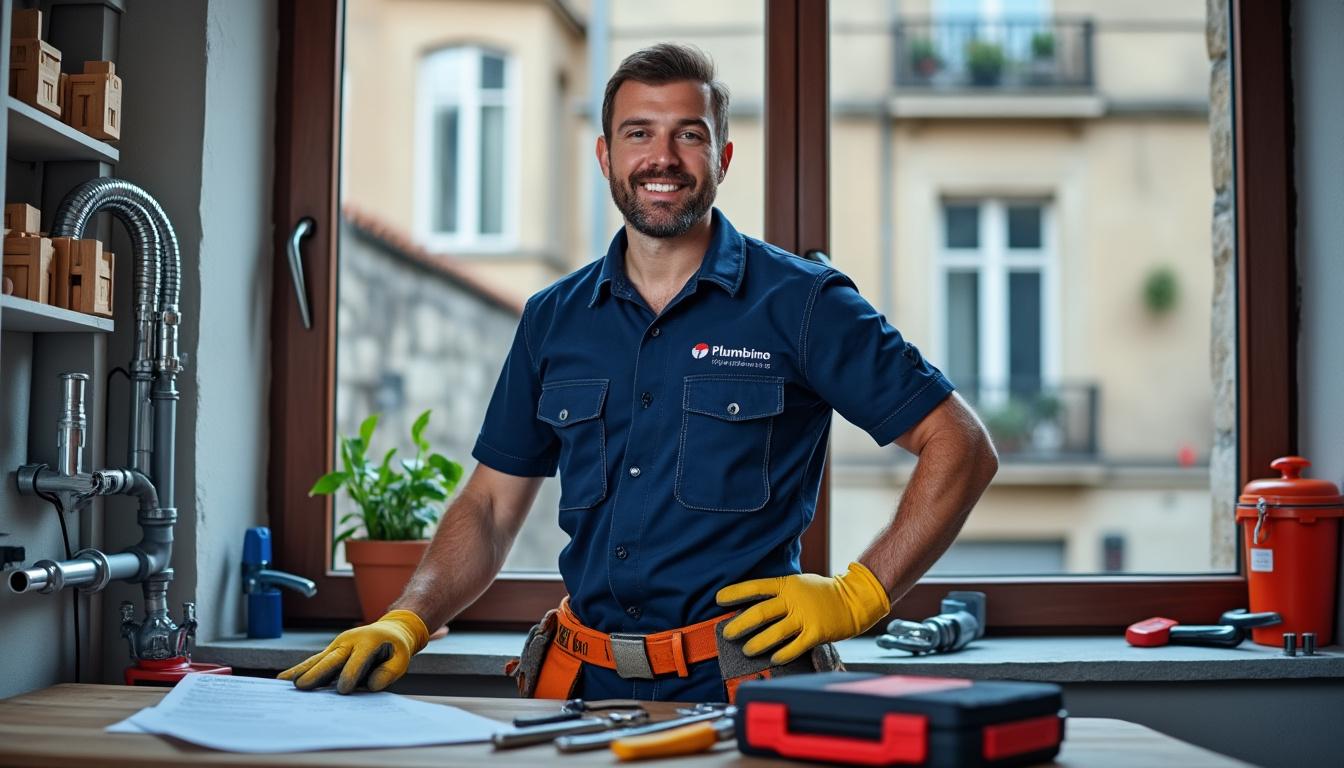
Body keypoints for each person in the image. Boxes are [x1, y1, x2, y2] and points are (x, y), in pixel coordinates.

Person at [280, 42, 998, 702]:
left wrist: (857, 595)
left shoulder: (803, 303)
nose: (663, 157)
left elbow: (960, 444)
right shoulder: (554, 319)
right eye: (639, 133)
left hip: (743, 686)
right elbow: (491, 508)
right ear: (604, 155)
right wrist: (407, 618)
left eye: (689, 133)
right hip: (580, 689)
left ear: (724, 157)